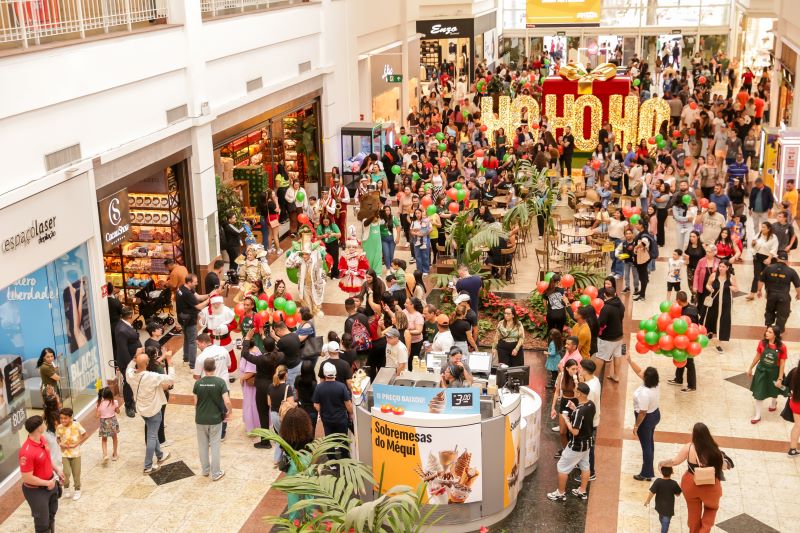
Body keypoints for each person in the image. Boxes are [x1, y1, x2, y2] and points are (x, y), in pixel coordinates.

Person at [658, 423, 728, 533]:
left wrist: (663, 463)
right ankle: (704, 530)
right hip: (710, 485)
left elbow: (675, 461)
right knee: (711, 508)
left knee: (693, 513)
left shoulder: (689, 447)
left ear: (694, 434)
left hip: (690, 484)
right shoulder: (714, 449)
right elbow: (724, 466)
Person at [125, 348, 174, 474]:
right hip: (153, 410)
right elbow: (170, 379)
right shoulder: (151, 376)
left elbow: (128, 368)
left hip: (141, 409)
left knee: (153, 432)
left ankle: (160, 455)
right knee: (152, 436)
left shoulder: (131, 375)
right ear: (147, 363)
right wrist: (169, 360)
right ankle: (148, 466)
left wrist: (135, 356)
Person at [547, 382, 595, 501]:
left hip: (576, 445)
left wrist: (567, 420)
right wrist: (574, 408)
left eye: (575, 390)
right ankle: (582, 491)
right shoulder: (591, 404)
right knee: (585, 466)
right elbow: (584, 418)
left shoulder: (579, 411)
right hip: (587, 443)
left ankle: (560, 493)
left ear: (579, 393)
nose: (573, 390)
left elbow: (575, 431)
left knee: (562, 467)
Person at [19, 415, 65, 533]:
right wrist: (47, 483)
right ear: (39, 428)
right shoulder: (26, 452)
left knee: (51, 516)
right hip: (36, 491)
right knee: (42, 524)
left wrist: (57, 470)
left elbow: (47, 459)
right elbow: (27, 477)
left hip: (51, 484)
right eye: (43, 423)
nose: (45, 424)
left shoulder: (42, 439)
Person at [193, 357, 231, 481]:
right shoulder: (220, 382)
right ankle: (215, 473)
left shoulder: (198, 383)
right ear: (214, 368)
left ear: (204, 369)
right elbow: (227, 401)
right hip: (215, 419)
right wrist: (230, 411)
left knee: (202, 446)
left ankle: (205, 470)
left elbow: (195, 403)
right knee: (215, 446)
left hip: (200, 419)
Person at [242, 331, 281, 449]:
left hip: (262, 388)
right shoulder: (280, 356)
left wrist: (247, 339)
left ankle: (265, 442)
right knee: (276, 412)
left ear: (264, 347)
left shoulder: (261, 359)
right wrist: (273, 337)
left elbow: (245, 353)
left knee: (263, 414)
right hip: (276, 386)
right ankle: (279, 438)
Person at [628, 355, 660, 481]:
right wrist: (630, 361)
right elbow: (639, 371)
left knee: (646, 446)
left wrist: (636, 426)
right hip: (655, 414)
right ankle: (648, 470)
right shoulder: (655, 384)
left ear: (646, 378)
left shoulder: (645, 393)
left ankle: (646, 473)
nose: (642, 373)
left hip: (646, 419)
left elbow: (642, 413)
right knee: (649, 442)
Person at [747, 325, 788, 424]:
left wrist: (780, 379)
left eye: (770, 332)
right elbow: (757, 356)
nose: (766, 333)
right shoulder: (761, 343)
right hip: (761, 371)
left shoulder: (782, 347)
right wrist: (750, 368)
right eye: (767, 331)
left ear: (775, 335)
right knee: (759, 393)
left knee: (775, 389)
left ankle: (773, 404)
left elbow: (782, 364)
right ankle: (758, 415)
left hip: (774, 372)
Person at [313, 362, 353, 459]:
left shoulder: (319, 387)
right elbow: (348, 403)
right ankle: (345, 458)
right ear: (335, 373)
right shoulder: (341, 386)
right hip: (341, 418)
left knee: (329, 439)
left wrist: (322, 411)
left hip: (327, 419)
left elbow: (316, 404)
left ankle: (331, 460)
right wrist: (351, 413)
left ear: (324, 374)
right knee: (343, 439)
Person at [176, 274, 215, 369]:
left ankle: (186, 359)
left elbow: (198, 297)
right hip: (189, 320)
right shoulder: (187, 293)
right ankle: (192, 365)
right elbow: (199, 306)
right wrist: (210, 299)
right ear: (189, 282)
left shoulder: (182, 287)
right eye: (195, 282)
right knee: (193, 342)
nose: (197, 283)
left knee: (187, 339)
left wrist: (209, 295)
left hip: (182, 318)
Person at [757, 250, 800, 330]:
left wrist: (759, 290)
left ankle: (769, 327)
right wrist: (798, 294)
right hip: (784, 297)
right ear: (786, 260)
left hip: (771, 295)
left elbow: (761, 280)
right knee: (783, 314)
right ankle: (778, 330)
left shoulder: (768, 268)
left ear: (777, 258)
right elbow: (798, 286)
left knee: (769, 311)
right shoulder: (791, 271)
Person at [703, 260, 736, 353]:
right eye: (720, 266)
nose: (721, 268)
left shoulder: (731, 277)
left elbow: (736, 288)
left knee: (723, 320)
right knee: (711, 317)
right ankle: (710, 333)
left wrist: (732, 288)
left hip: (726, 302)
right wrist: (710, 289)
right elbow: (707, 284)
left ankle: (718, 343)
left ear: (727, 268)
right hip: (714, 301)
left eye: (723, 267)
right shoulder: (714, 275)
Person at [114, 307, 141, 417]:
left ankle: (132, 401)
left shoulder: (125, 325)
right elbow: (123, 349)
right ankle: (128, 406)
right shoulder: (121, 329)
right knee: (128, 383)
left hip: (133, 359)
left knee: (132, 382)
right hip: (127, 362)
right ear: (130, 316)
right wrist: (131, 364)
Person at [55, 407, 87, 501]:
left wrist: (77, 444)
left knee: (76, 473)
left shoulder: (76, 425)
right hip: (64, 454)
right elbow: (58, 438)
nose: (63, 420)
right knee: (66, 472)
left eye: (65, 418)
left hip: (76, 453)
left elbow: (85, 434)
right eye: (61, 418)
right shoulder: (59, 427)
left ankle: (77, 489)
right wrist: (60, 443)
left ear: (70, 417)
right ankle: (66, 487)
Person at [596, 287, 625, 382]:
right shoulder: (621, 304)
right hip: (619, 336)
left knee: (600, 357)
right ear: (615, 294)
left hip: (608, 338)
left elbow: (601, 323)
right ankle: (616, 376)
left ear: (605, 295)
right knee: (617, 355)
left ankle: (594, 379)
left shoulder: (606, 308)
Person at [551, 358, 580, 452]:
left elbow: (580, 395)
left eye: (576, 369)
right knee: (562, 432)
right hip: (564, 402)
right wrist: (553, 407)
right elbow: (557, 392)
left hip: (575, 402)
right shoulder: (561, 375)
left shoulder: (579, 377)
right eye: (573, 369)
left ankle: (573, 452)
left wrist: (577, 384)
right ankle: (566, 450)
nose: (575, 371)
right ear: (567, 368)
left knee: (574, 431)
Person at [579, 359, 601, 482]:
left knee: (589, 447)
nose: (579, 370)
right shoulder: (595, 379)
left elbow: (588, 408)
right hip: (593, 419)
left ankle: (591, 472)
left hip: (589, 422)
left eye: (580, 368)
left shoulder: (590, 389)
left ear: (585, 371)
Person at [746, 222, 779, 300]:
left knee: (768, 276)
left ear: (769, 229)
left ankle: (768, 293)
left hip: (769, 258)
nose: (762, 229)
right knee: (756, 276)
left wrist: (769, 258)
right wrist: (753, 243)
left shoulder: (773, 237)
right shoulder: (758, 234)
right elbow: (753, 246)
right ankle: (752, 294)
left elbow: (774, 249)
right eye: (762, 227)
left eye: (764, 227)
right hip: (758, 257)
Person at [645, 466, 682, 533]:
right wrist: (680, 486)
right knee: (665, 522)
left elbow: (652, 492)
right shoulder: (674, 483)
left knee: (663, 520)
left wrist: (648, 501)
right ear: (672, 472)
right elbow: (678, 494)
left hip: (659, 506)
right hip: (668, 509)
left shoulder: (658, 481)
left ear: (661, 472)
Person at [268, 365, 292, 463]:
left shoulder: (270, 386)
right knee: (286, 436)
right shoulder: (287, 388)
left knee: (280, 435)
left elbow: (269, 403)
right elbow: (291, 404)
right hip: (283, 416)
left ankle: (277, 459)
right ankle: (284, 458)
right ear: (285, 374)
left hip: (273, 414)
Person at [271, 321, 303, 385]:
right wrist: (274, 336)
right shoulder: (295, 335)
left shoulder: (283, 341)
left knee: (290, 387)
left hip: (292, 368)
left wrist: (273, 337)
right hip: (299, 363)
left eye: (276, 332)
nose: (277, 334)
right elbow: (285, 342)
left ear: (278, 330)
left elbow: (276, 352)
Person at [95, 387, 120, 464]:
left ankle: (105, 455)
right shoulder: (114, 402)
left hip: (104, 422)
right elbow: (118, 411)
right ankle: (115, 454)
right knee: (114, 438)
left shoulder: (99, 404)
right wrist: (115, 408)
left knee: (104, 439)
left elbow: (97, 415)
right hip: (113, 421)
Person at [317, 214, 341, 278]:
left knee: (335, 258)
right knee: (325, 259)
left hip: (333, 243)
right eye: (324, 222)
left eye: (327, 222)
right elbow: (317, 237)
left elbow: (339, 234)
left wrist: (333, 234)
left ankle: (335, 273)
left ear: (329, 221)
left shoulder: (333, 225)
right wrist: (323, 236)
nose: (326, 223)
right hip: (324, 244)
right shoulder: (320, 227)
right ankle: (325, 272)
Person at [785, 359, 800, 457]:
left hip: (794, 402)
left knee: (797, 426)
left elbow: (785, 384)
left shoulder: (794, 371)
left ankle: (793, 450)